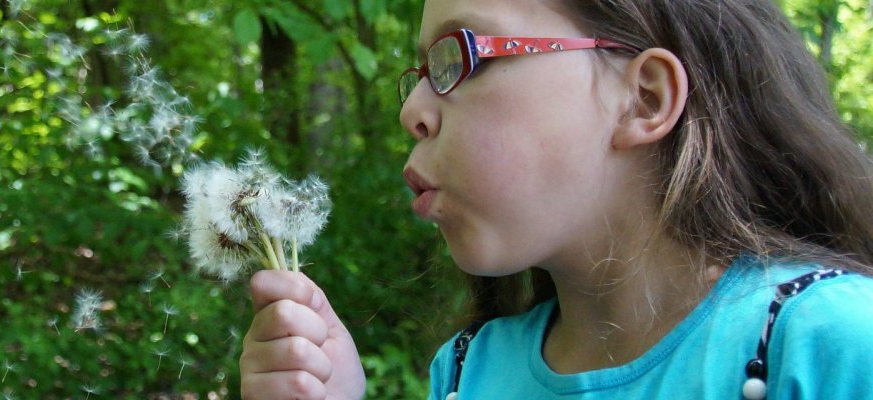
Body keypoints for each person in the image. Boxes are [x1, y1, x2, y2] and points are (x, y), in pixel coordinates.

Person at [238, 0, 873, 398]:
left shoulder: (830, 342)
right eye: (419, 76)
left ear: (643, 98)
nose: (410, 110)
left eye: (457, 57)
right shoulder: (467, 371)